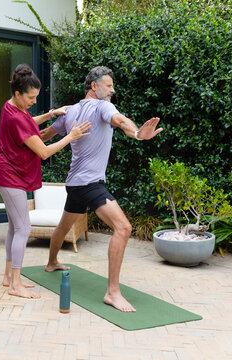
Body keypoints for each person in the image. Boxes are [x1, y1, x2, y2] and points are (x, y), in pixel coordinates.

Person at [41, 66, 163, 312]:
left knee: (64, 226)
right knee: (124, 228)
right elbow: (120, 120)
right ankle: (112, 292)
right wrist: (138, 133)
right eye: (109, 86)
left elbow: (43, 135)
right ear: (94, 86)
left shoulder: (71, 110)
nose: (112, 90)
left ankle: (52, 262)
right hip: (89, 183)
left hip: (75, 184)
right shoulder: (102, 106)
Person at [0, 64, 91, 299]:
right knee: (24, 228)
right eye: (31, 97)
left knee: (16, 227)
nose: (34, 101)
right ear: (18, 93)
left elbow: (27, 119)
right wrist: (71, 136)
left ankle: (8, 278)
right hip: (9, 175)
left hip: (6, 172)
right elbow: (44, 152)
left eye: (36, 96)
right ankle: (15, 284)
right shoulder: (18, 118)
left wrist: (50, 114)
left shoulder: (10, 106)